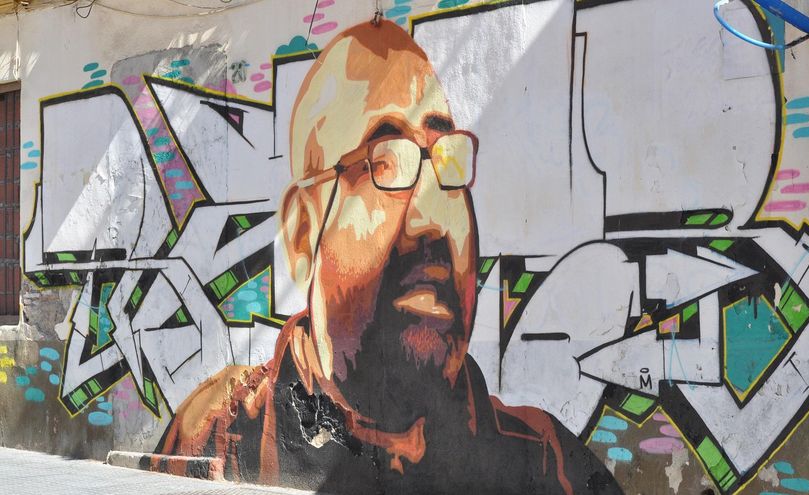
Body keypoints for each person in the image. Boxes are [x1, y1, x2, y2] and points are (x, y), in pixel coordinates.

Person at [158, 19, 621, 495]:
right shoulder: (217, 432)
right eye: (385, 161)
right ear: (302, 234)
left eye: (448, 161)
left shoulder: (546, 462)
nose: (431, 219)